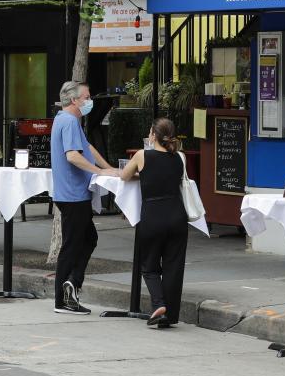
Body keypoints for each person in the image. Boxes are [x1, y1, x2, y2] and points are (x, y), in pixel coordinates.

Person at [51, 81, 120, 315]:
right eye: (86, 97)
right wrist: (100, 171)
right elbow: (73, 156)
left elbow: (87, 148)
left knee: (88, 238)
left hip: (71, 192)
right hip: (73, 194)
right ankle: (63, 299)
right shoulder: (69, 121)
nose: (89, 101)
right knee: (72, 245)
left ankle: (72, 282)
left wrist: (109, 168)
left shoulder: (66, 120)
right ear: (74, 100)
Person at [120, 118, 189, 329]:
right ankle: (169, 315)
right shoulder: (180, 157)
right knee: (173, 267)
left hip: (153, 215)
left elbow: (124, 175)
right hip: (177, 215)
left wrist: (144, 174)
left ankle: (159, 304)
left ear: (152, 136)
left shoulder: (143, 155)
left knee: (149, 265)